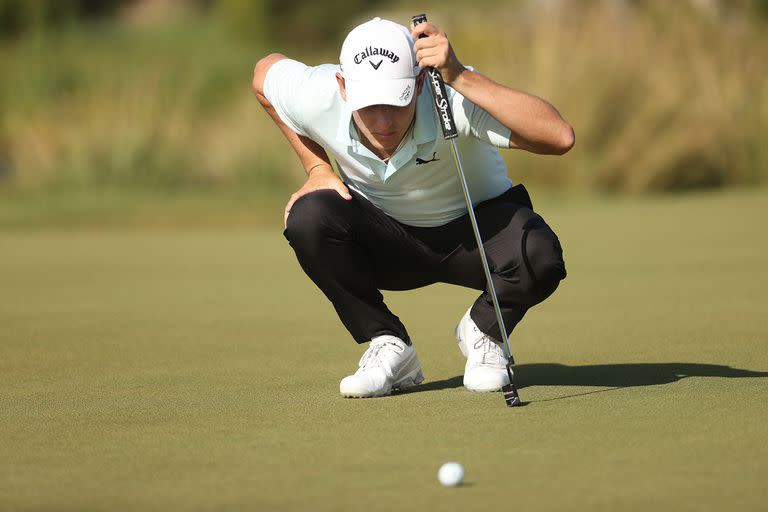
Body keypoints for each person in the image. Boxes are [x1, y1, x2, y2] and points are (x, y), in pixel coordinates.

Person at [252, 17, 574, 398]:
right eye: (370, 106)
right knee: (309, 215)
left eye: (396, 102)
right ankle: (388, 344)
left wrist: (459, 76)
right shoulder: (319, 94)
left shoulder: (449, 91)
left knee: (539, 254)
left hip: (476, 237)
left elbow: (559, 137)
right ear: (343, 87)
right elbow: (263, 75)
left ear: (419, 82)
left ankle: (485, 332)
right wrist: (317, 166)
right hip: (386, 242)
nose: (384, 121)